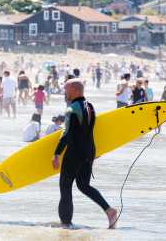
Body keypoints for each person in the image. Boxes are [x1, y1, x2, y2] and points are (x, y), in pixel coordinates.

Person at [51, 79, 117, 229]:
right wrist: (94, 152)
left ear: (74, 90)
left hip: (74, 153)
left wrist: (56, 153)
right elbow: (90, 132)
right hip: (88, 152)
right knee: (83, 185)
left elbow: (67, 134)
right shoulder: (91, 107)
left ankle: (66, 226)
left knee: (65, 187)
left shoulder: (71, 109)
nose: (65, 92)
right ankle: (109, 211)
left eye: (66, 89)